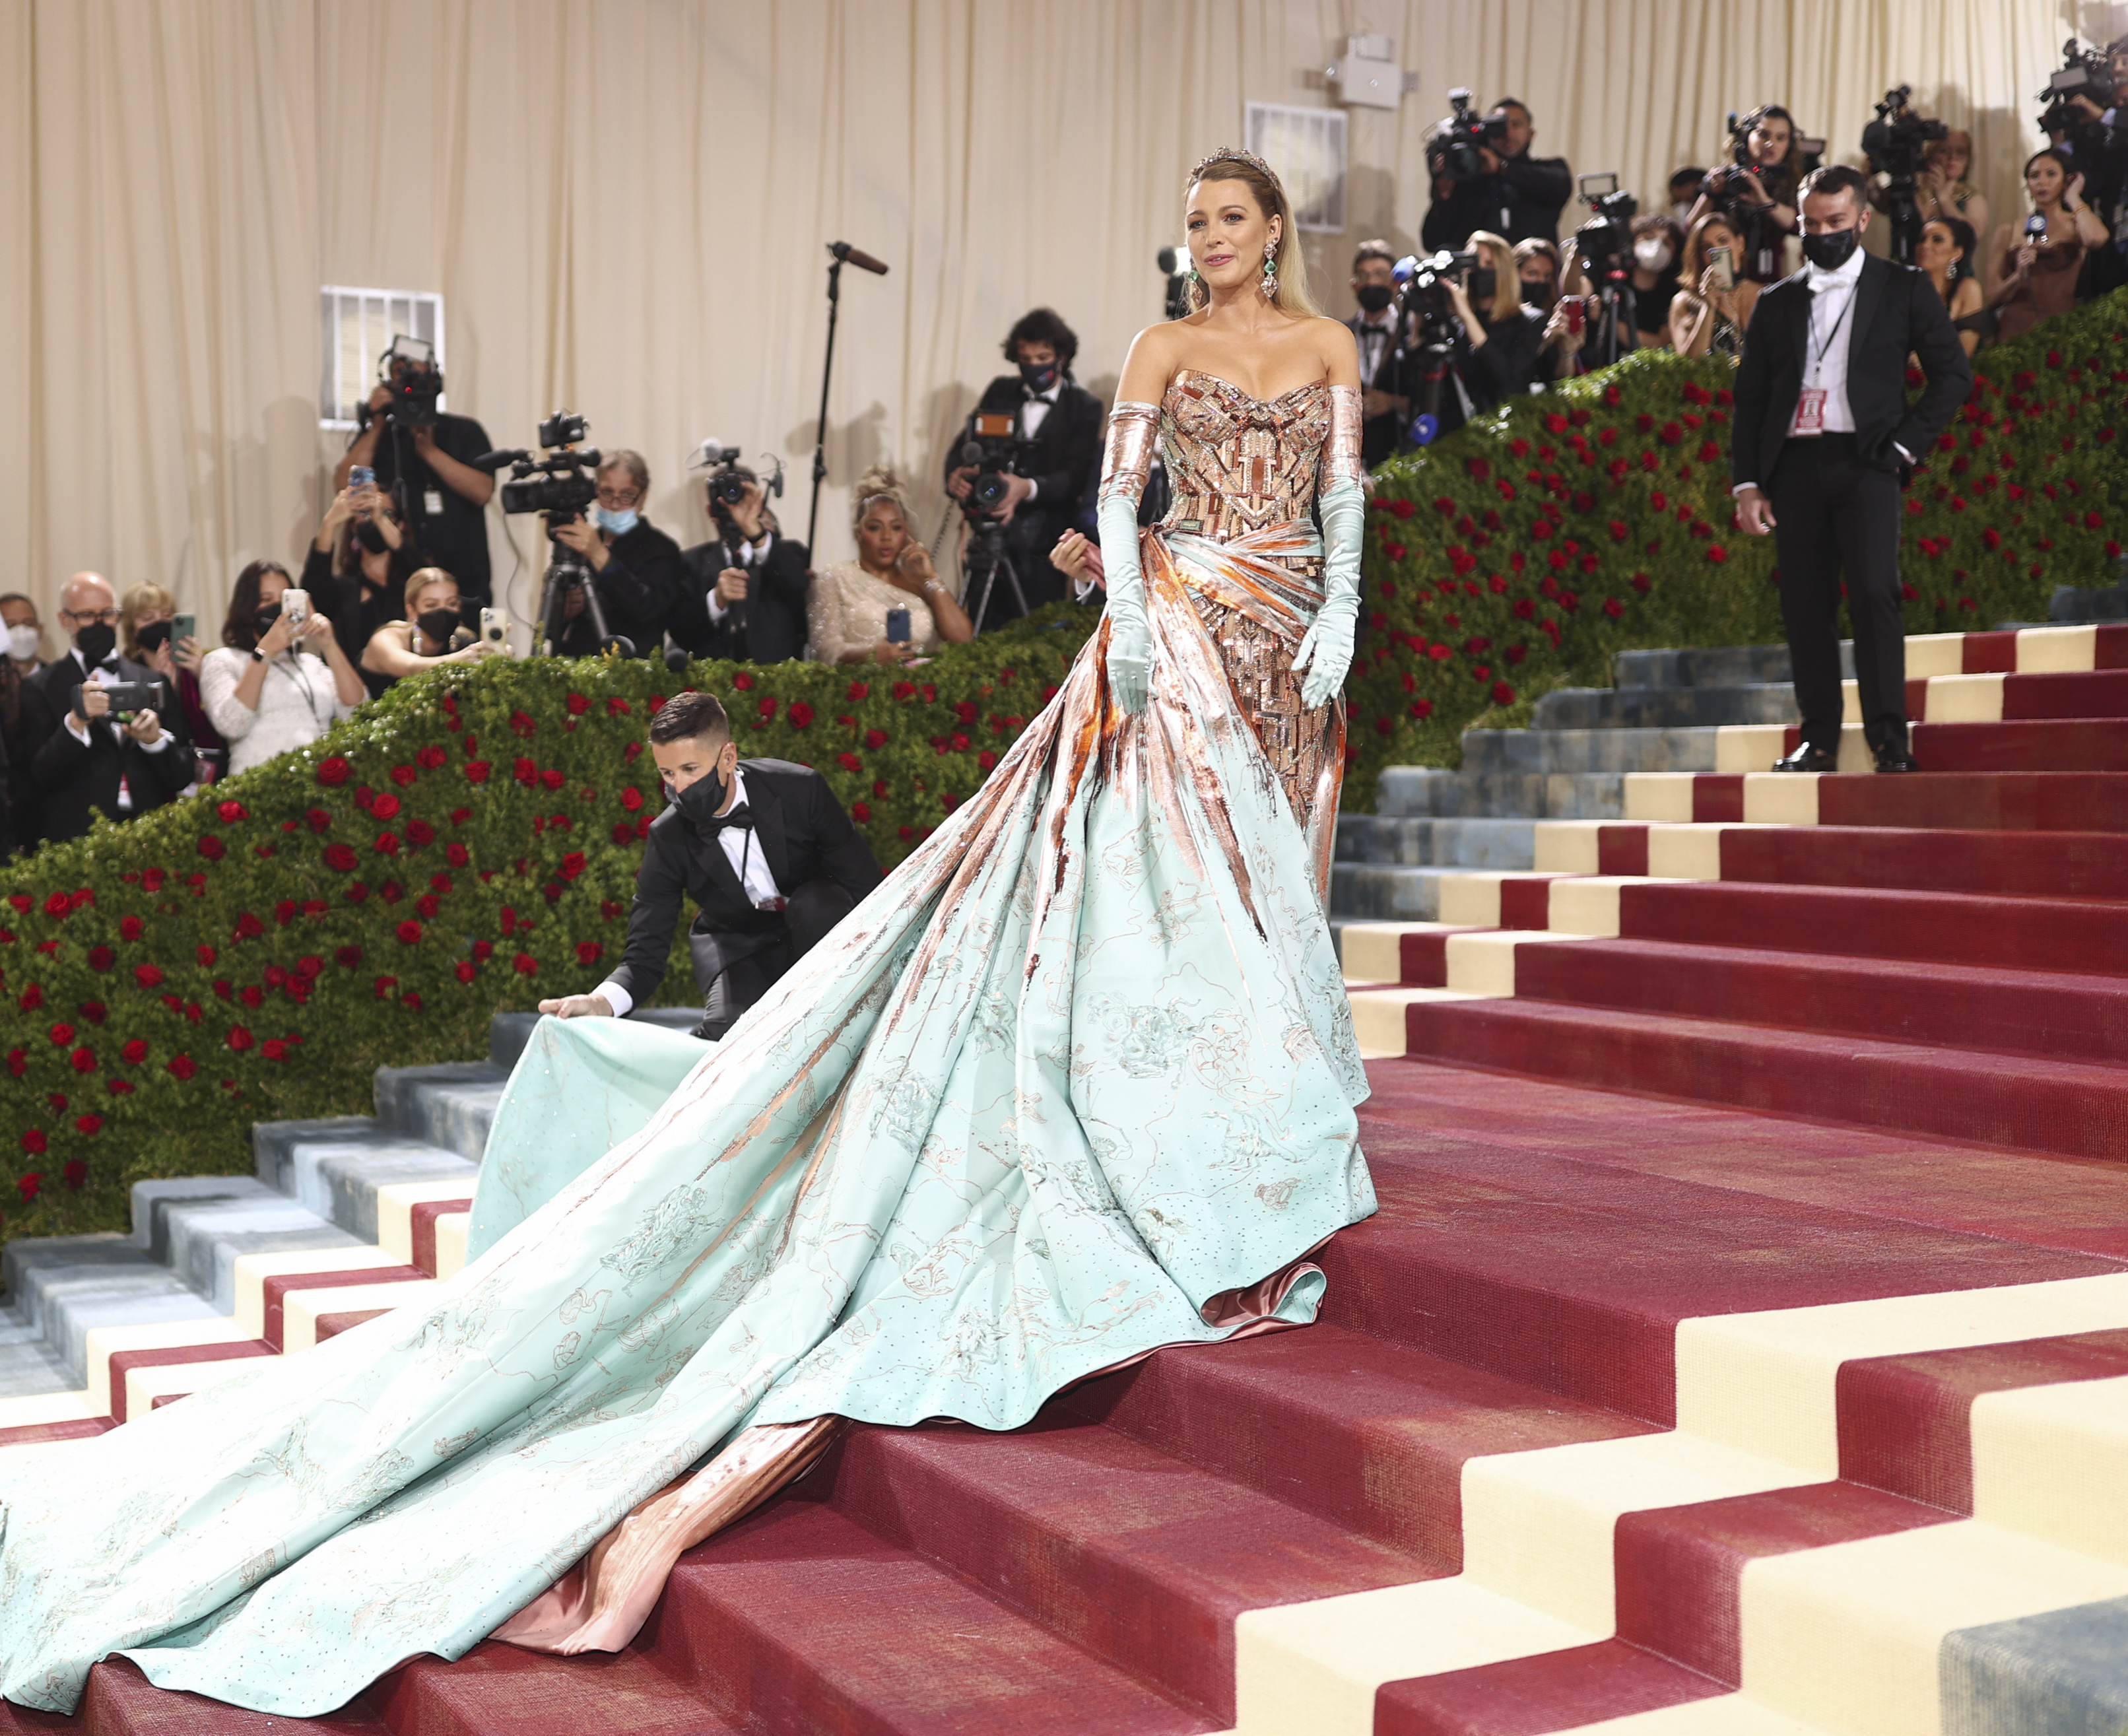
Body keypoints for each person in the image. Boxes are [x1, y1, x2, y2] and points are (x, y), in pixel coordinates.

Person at [0, 145, 1373, 1716]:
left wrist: (1334, 607)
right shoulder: (1160, 347)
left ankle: (1258, 1078)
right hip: (1179, 628)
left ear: (1270, 228)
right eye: (1187, 219)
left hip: (1289, 636)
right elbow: (1120, 506)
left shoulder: (1324, 344)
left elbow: (1340, 493)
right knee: (1156, 882)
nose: (1201, 241)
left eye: (1225, 219)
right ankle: (1181, 1106)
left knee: (1273, 877)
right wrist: (1130, 614)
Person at [1733, 164, 1972, 776]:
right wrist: (1749, 482)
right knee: (1806, 606)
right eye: (1811, 224)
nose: (1822, 234)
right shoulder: (1777, 301)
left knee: (1874, 596)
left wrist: (1903, 449)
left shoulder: (1904, 287)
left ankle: (1891, 740)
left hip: (1868, 462)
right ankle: (1819, 740)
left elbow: (1953, 376)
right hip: (1794, 467)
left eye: (1836, 222)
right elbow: (1752, 400)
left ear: (1863, 219)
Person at [537, 690, 881, 1044]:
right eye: (667, 773)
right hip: (740, 947)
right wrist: (598, 1002)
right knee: (725, 1038)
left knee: (817, 905)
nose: (680, 787)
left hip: (819, 930)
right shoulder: (668, 837)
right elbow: (644, 957)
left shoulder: (800, 790)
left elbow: (866, 886)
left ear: (728, 757)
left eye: (690, 769)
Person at [944, 308, 1104, 631]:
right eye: (1025, 359)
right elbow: (966, 443)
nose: (1034, 366)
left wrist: (1026, 487)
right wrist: (957, 475)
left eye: (1042, 357)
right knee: (979, 629)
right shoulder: (1000, 391)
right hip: (988, 535)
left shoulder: (1084, 407)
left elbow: (1075, 478)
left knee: (1034, 634)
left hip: (1042, 545)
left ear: (1061, 356)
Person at [20, 572, 193, 845]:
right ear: (65, 620)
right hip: (77, 837)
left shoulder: (152, 681)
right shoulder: (40, 687)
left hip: (149, 835)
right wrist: (76, 723)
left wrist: (154, 742)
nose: (99, 624)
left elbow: (183, 774)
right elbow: (38, 775)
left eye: (108, 614)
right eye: (87, 615)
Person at [331, 339, 494, 618]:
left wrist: (429, 451)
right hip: (397, 587)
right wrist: (378, 422)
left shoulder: (465, 431)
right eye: (402, 380)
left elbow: (482, 491)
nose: (411, 391)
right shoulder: (382, 435)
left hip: (464, 585)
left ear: (435, 384)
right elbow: (344, 485)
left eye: (419, 380)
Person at [197, 560, 366, 777]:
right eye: (266, 600)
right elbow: (232, 724)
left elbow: (358, 710)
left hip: (318, 783)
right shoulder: (223, 660)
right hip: (258, 784)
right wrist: (264, 653)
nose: (277, 609)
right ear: (248, 608)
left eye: (284, 599)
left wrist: (329, 644)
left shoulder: (310, 663)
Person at [807, 467, 974, 664]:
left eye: (896, 528)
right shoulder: (836, 576)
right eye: (875, 528)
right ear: (858, 533)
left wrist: (931, 577)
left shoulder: (919, 581)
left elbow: (964, 640)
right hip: (858, 688)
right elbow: (825, 649)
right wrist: (871, 656)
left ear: (907, 533)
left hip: (920, 687)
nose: (886, 538)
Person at [547, 450, 686, 658]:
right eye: (607, 492)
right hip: (577, 667)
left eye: (627, 495)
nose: (614, 504)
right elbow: (550, 628)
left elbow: (648, 609)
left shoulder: (661, 548)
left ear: (643, 497)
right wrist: (566, 609)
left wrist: (600, 555)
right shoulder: (581, 543)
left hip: (631, 671)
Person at [303, 478, 432, 700]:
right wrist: (329, 524)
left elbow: (429, 579)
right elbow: (312, 588)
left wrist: (381, 519)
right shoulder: (343, 589)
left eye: (385, 513)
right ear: (353, 524)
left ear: (400, 524)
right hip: (356, 700)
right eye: (364, 513)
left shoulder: (411, 583)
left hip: (414, 696)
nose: (373, 519)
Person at [673, 465, 811, 665]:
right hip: (712, 684)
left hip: (777, 684)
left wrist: (754, 531)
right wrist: (716, 600)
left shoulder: (790, 553)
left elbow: (798, 585)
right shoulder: (690, 562)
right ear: (711, 512)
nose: (732, 505)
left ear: (759, 504)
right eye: (724, 498)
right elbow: (681, 633)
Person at [1431, 229, 1545, 437]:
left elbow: (1510, 381)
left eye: (1489, 264)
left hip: (1510, 433)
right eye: (1474, 263)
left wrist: (1468, 318)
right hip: (1462, 434)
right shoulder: (1458, 323)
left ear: (1503, 272)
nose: (1479, 270)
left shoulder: (1530, 321)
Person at [1420, 96, 1572, 249]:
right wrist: (1444, 197)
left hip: (1531, 269)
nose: (1508, 133)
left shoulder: (1549, 172)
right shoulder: (1467, 183)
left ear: (1530, 134)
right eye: (1500, 126)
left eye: (1516, 125)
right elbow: (1432, 242)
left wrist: (1502, 168)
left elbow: (1560, 185)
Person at [1989, 150, 2108, 341]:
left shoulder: (2076, 224)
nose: (2042, 182)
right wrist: (2018, 276)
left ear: (2066, 180)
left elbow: (2097, 239)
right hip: (2015, 326)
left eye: (2051, 174)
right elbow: (1991, 298)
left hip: (2062, 325)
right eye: (2034, 176)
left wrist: (2073, 197)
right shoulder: (2007, 231)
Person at [1686, 105, 1803, 284]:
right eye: (1763, 135)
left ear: (1789, 144)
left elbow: (1798, 225)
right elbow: (1692, 230)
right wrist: (1711, 193)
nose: (1770, 144)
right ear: (1746, 136)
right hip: (1720, 275)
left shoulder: (1792, 182)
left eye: (1781, 138)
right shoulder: (1726, 177)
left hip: (1767, 278)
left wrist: (1765, 202)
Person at [117, 580, 219, 762]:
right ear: (132, 630)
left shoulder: (200, 663)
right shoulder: (128, 674)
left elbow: (219, 722)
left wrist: (203, 674)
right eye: (148, 618)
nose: (160, 623)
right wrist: (160, 686)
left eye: (167, 615)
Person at [362, 568, 500, 685]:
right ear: (412, 611)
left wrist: (497, 660)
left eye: (451, 604)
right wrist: (458, 661)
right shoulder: (386, 639)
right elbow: (410, 668)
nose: (443, 611)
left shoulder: (462, 641)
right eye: (432, 605)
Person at [1347, 240, 1409, 467]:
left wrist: (1394, 403)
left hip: (1401, 456)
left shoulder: (1413, 333)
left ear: (1394, 283)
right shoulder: (1340, 334)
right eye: (1363, 276)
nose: (1371, 282)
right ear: (1354, 284)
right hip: (1351, 457)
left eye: (1379, 274)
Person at [1667, 212, 1761, 358]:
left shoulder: (1764, 293)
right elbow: (1691, 362)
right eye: (1707, 247)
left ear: (1740, 244)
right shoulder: (1685, 301)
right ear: (1699, 255)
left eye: (1723, 241)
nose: (1717, 250)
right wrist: (1709, 307)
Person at [1917, 217, 1987, 358]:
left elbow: (1964, 353)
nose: (1925, 245)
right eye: (1922, 239)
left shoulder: (1968, 288)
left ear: (1957, 253)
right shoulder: (1904, 286)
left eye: (1937, 240)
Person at [1912, 130, 1990, 254]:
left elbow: (1973, 236)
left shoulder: (1972, 198)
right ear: (1931, 156)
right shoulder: (1914, 192)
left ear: (1967, 161)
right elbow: (1882, 203)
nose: (1952, 157)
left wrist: (1944, 200)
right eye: (1944, 151)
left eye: (1960, 152)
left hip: (1955, 272)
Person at [2, 591, 48, 677]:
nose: (21, 633)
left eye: (28, 623)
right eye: (10, 626)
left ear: (40, 630)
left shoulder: (59, 679)